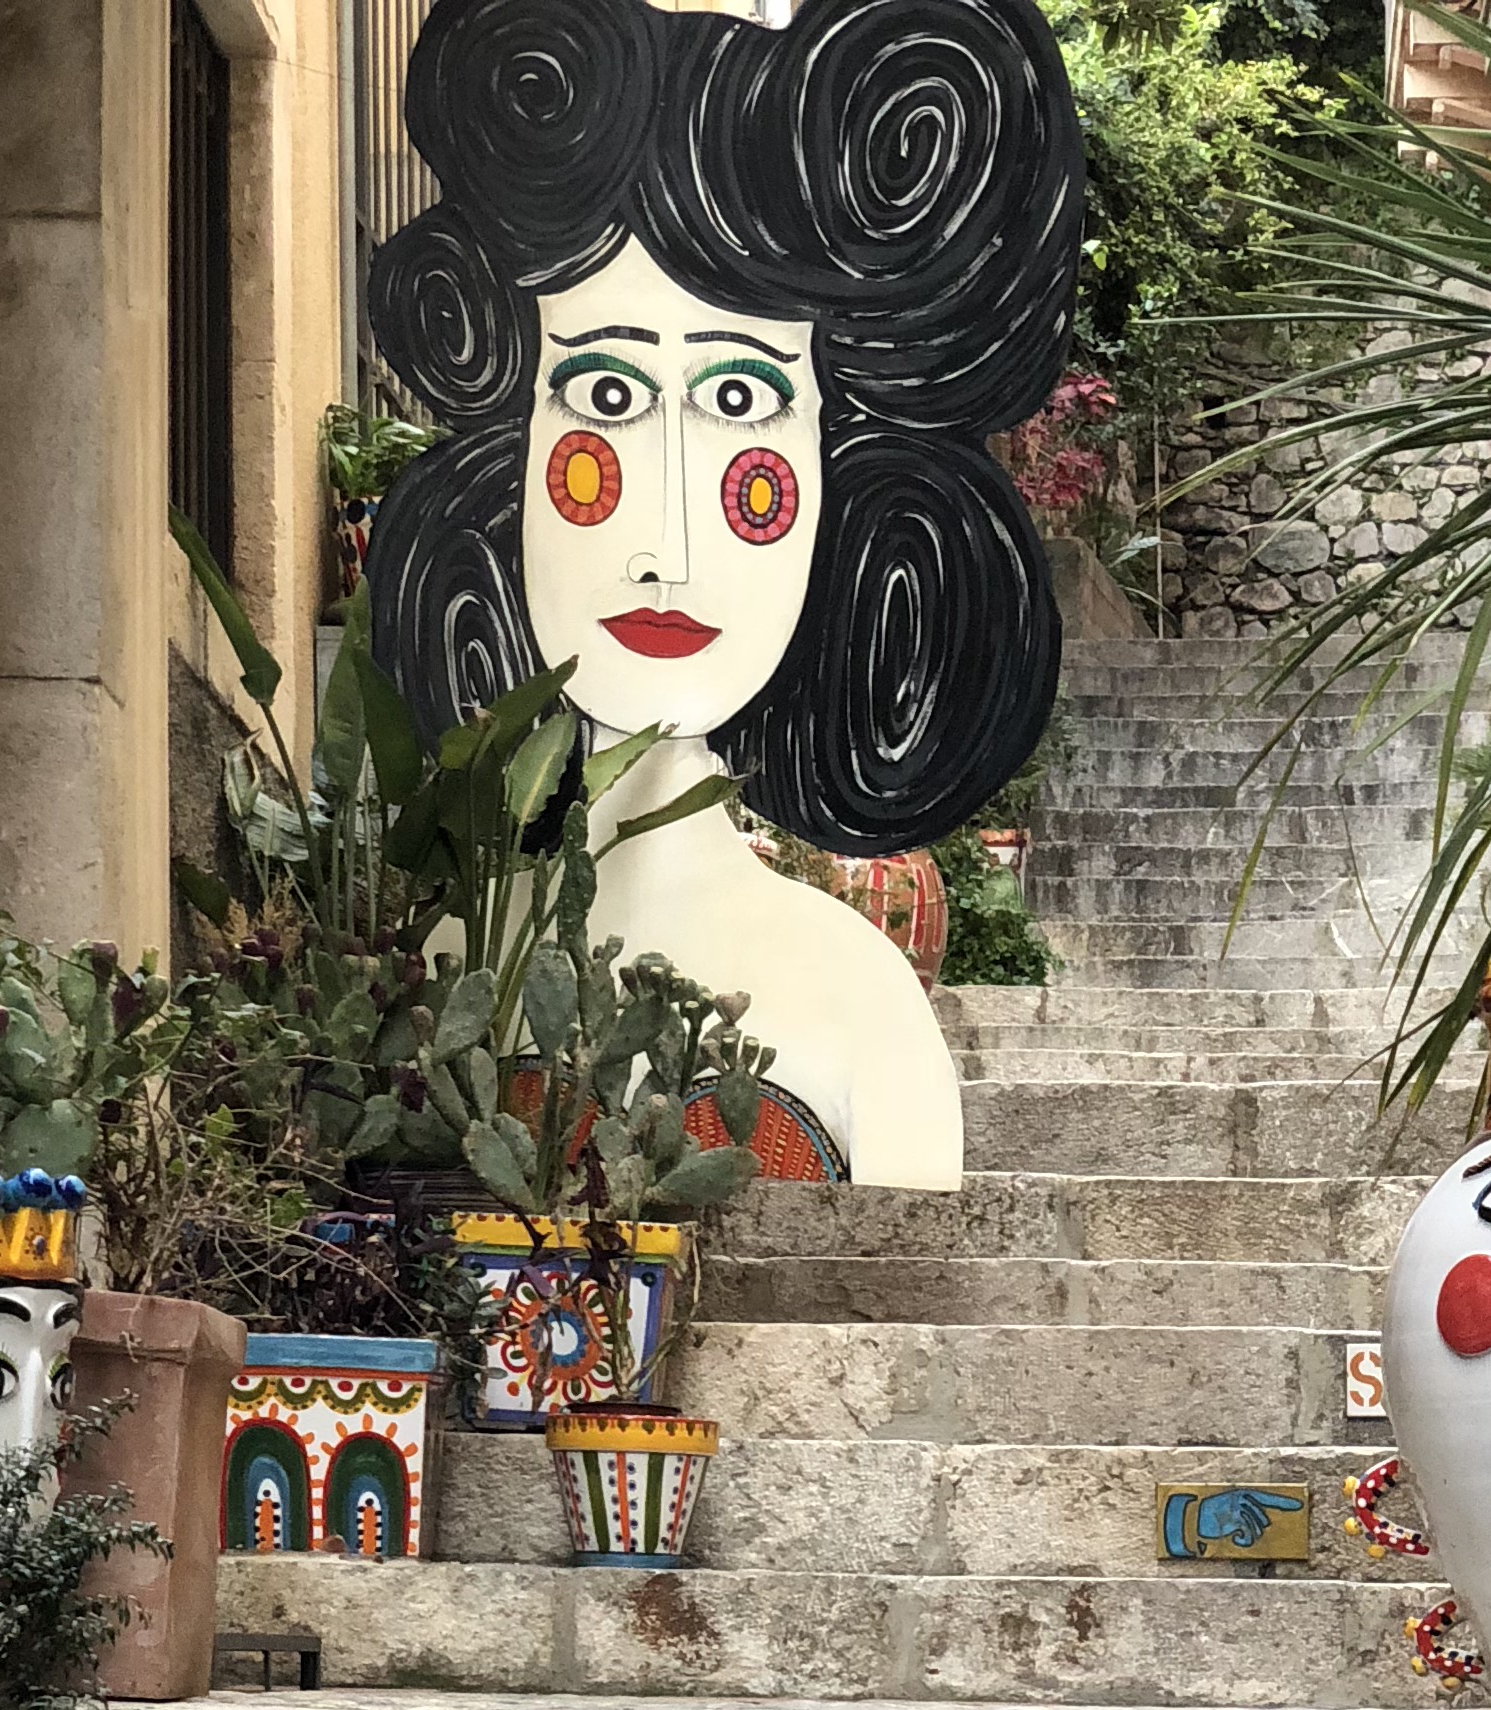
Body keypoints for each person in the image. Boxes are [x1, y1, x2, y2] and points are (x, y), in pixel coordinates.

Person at [366, 0, 1080, 1188]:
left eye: (740, 401)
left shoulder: (866, 1008)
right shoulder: (433, 977)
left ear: (841, 464)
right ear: (508, 449)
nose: (669, 540)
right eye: (606, 397)